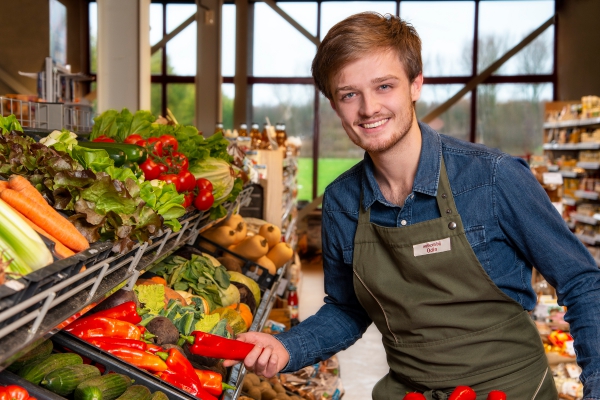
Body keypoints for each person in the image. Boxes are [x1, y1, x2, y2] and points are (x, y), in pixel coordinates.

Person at [224, 12, 600, 399]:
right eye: (349, 94)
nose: (369, 109)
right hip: (409, 392)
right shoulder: (342, 202)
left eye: (384, 86)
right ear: (335, 106)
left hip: (511, 391)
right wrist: (287, 346)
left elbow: (582, 282)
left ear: (416, 84)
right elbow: (348, 309)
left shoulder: (492, 179)